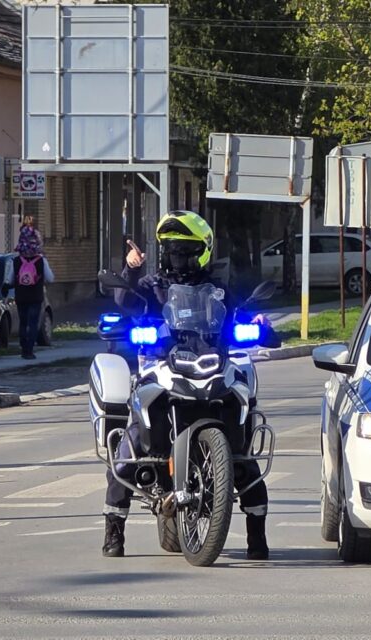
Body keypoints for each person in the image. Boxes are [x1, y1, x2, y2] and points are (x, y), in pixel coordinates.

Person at [101, 211, 276, 561]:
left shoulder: (221, 289)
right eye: (173, 249)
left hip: (213, 367)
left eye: (186, 250)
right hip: (163, 367)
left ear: (204, 251)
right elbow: (126, 302)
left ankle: (257, 536)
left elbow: (241, 313)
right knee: (130, 446)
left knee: (244, 455)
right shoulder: (151, 285)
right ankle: (113, 532)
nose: (179, 256)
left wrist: (258, 324)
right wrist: (131, 271)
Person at [3, 223, 54, 359]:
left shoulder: (16, 261)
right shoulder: (41, 261)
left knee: (23, 322)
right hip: (36, 296)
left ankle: (23, 348)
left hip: (21, 296)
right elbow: (50, 278)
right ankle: (30, 350)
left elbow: (10, 279)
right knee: (33, 323)